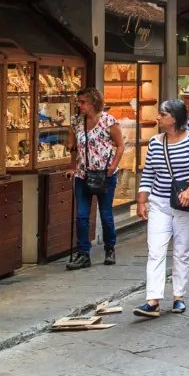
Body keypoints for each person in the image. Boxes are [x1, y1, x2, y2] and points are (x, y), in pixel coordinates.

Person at [134, 99, 189, 318]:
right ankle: (152, 300)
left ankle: (178, 297)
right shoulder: (154, 142)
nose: (158, 117)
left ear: (175, 118)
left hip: (185, 206)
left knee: (182, 251)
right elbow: (148, 173)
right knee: (155, 250)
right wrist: (142, 201)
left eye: (163, 114)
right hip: (160, 202)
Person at [66, 88, 125, 270]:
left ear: (93, 102)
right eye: (79, 101)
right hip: (83, 174)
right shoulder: (77, 122)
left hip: (104, 175)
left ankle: (110, 248)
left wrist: (113, 165)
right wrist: (73, 167)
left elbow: (120, 145)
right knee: (82, 216)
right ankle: (83, 253)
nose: (80, 105)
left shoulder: (109, 121)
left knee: (106, 214)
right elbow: (73, 147)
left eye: (83, 102)